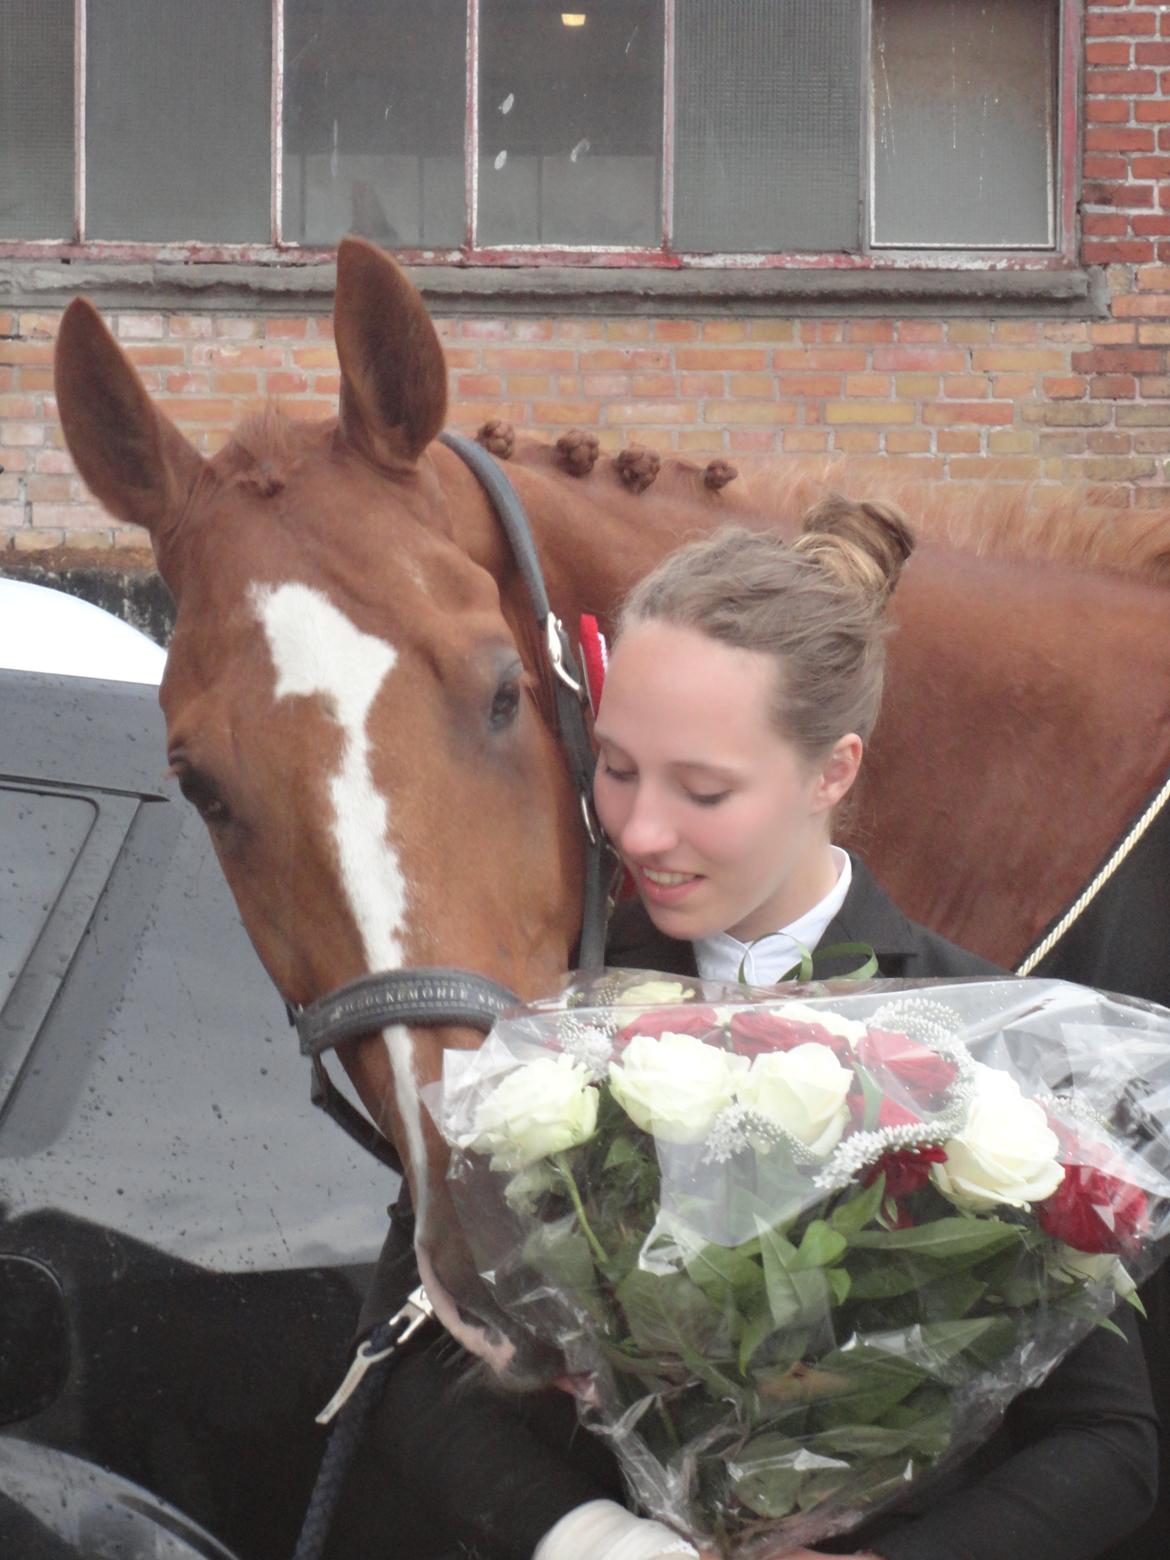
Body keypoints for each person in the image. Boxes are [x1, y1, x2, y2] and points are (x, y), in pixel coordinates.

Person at [332, 501, 1158, 1560]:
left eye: (704, 789)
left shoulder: (989, 1039)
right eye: (618, 768)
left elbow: (1111, 1443)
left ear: (834, 773)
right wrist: (600, 1542)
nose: (639, 830)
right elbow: (408, 1363)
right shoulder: (544, 1015)